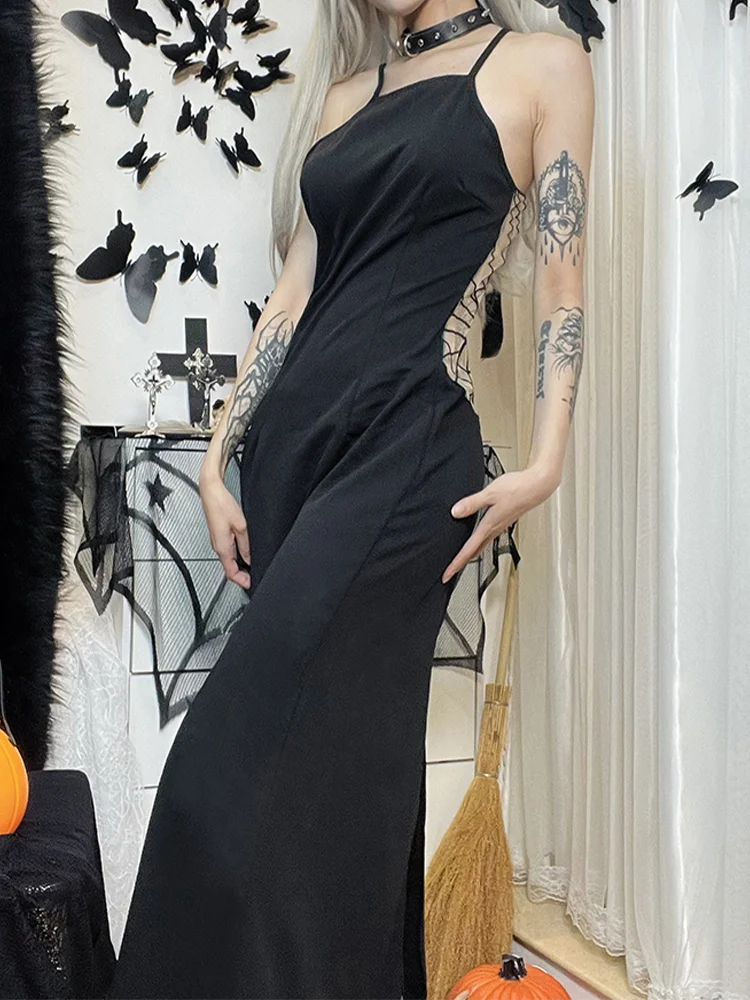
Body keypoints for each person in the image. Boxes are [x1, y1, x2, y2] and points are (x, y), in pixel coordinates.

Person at [107, 1, 594, 998]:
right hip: (294, 448)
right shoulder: (342, 99)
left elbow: (561, 277)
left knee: (220, 768)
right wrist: (218, 457)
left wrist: (547, 460)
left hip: (408, 445)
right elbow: (293, 296)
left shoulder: (544, 65)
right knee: (343, 778)